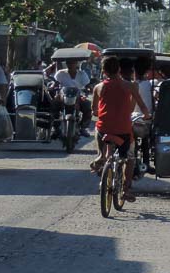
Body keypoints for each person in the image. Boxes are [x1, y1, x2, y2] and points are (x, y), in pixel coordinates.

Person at [91, 55, 149, 202]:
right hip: (123, 130)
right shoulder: (130, 86)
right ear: (119, 70)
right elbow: (141, 106)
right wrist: (147, 115)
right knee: (130, 158)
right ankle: (125, 189)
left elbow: (94, 111)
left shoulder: (98, 87)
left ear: (103, 71)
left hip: (104, 129)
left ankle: (101, 154)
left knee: (98, 128)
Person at [52, 58, 93, 137]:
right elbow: (55, 83)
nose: (70, 65)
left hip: (78, 96)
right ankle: (55, 128)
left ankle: (83, 128)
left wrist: (89, 88)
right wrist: (53, 86)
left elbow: (88, 85)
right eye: (68, 63)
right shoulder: (60, 73)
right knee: (53, 105)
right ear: (66, 64)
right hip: (63, 95)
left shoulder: (82, 74)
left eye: (72, 63)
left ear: (76, 63)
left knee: (88, 105)